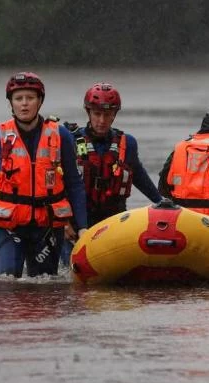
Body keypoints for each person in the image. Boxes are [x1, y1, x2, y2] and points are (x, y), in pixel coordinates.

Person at [0, 72, 88, 277]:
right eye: (18, 99)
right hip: (7, 225)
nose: (24, 104)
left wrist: (82, 227)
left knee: (45, 286)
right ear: (11, 103)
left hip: (46, 225)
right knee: (8, 280)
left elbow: (74, 184)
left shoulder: (60, 135)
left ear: (40, 101)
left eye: (30, 98)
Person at [62, 83, 162, 255]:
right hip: (76, 224)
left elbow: (139, 176)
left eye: (107, 115)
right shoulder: (69, 140)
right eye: (97, 114)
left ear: (114, 115)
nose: (102, 121)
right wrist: (64, 223)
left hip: (114, 221)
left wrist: (161, 202)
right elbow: (56, 185)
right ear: (88, 112)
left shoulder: (127, 143)